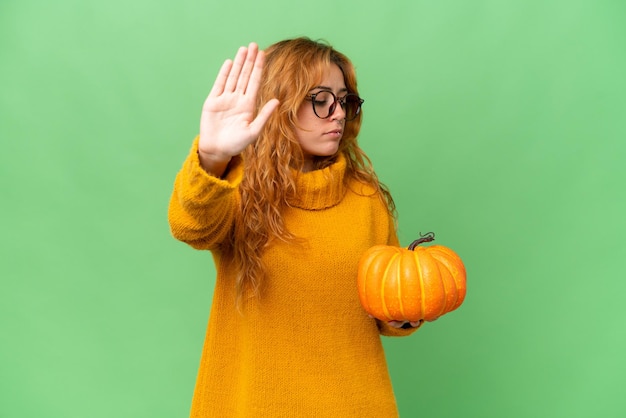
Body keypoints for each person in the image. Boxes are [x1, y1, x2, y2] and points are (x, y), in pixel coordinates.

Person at [168, 37, 422, 418]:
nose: (338, 113)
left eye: (344, 100)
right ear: (280, 103)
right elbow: (191, 227)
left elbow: (387, 303)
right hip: (254, 405)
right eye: (321, 99)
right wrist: (214, 156)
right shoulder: (235, 188)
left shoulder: (365, 197)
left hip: (357, 405)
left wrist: (408, 309)